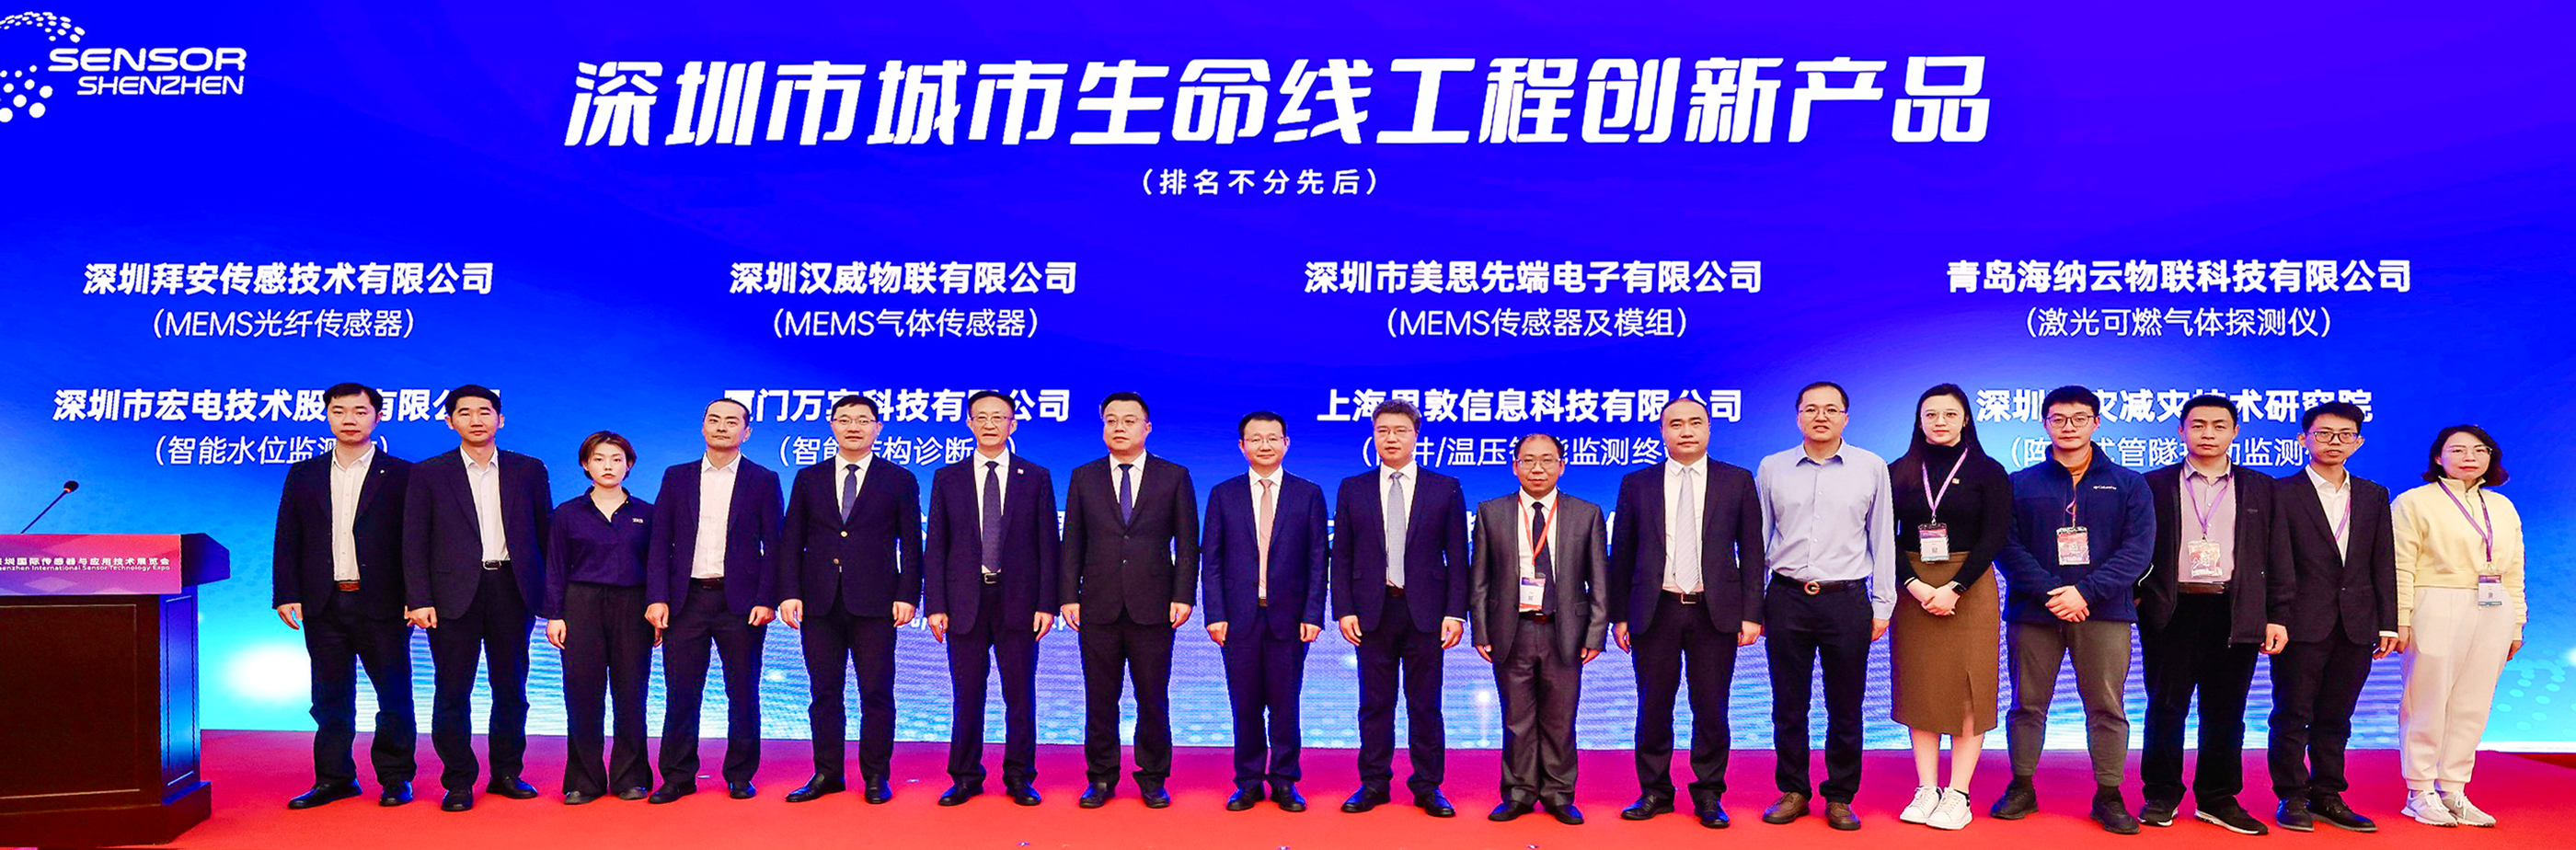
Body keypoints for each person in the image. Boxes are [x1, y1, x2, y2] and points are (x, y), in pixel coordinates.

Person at [1988, 385, 2154, 834]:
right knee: (2026, 705)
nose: (2069, 426)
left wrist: (2085, 592)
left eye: (2080, 418)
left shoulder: (2128, 483)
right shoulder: (2019, 483)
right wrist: (2052, 592)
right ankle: (2022, 786)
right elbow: (2007, 547)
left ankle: (2109, 794)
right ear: (2045, 423)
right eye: (2058, 418)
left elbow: (2137, 551)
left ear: (2096, 423)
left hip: (2104, 612)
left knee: (2107, 707)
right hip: (2034, 612)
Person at [1609, 396, 1765, 829]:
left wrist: (1752, 613)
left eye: (1695, 422)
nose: (1686, 431)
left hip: (1714, 612)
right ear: (1662, 432)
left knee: (1711, 707)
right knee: (1653, 706)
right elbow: (1621, 554)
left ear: (1709, 428)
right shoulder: (1637, 483)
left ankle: (1709, 794)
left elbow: (1753, 551)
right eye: (1675, 423)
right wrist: (1619, 615)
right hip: (1654, 610)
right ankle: (1654, 791)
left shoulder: (1736, 480)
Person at [2136, 396, 2286, 833]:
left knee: (2226, 710)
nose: (2208, 434)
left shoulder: (2261, 486)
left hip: (2234, 609)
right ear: (2181, 430)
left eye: (2219, 426)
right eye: (2198, 425)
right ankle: (2161, 794)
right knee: (2165, 707)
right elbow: (2131, 545)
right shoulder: (2153, 484)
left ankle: (2218, 797)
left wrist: (2275, 614)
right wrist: (2140, 598)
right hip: (2172, 608)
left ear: (2235, 432)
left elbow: (2278, 555)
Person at [402, 384, 550, 812]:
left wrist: (549, 596)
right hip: (451, 594)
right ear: (450, 422)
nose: (476, 420)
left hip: (512, 589)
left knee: (512, 688)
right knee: (452, 691)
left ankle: (507, 773)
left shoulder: (528, 469)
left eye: (484, 412)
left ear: (500, 419)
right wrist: (418, 597)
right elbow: (414, 540)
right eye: (464, 413)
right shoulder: (429, 472)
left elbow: (545, 534)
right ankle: (458, 781)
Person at [1754, 382, 1894, 832]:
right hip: (1786, 597)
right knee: (1788, 705)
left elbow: (1882, 539)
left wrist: (1883, 604)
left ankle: (1840, 796)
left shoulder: (1871, 467)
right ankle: (1793, 790)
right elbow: (1758, 539)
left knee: (1846, 706)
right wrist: (1752, 605)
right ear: (1797, 416)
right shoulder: (1772, 467)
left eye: (1831, 409)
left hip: (1846, 599)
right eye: (1811, 409)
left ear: (1845, 418)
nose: (1821, 416)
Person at [272, 382, 416, 809]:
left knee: (394, 695)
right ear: (327, 415)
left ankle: (395, 778)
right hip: (324, 602)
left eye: (359, 411)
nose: (349, 419)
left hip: (384, 603)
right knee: (329, 698)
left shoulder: (404, 474)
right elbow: (288, 536)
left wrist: (416, 595)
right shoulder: (304, 473)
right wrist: (286, 593)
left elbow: (416, 543)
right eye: (339, 411)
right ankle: (334, 778)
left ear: (378, 417)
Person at [777, 394, 922, 805]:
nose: (853, 427)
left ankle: (876, 775)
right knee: (824, 693)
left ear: (878, 427)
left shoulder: (899, 479)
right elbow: (792, 541)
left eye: (862, 420)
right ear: (832, 425)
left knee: (876, 692)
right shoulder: (809, 478)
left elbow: (913, 544)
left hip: (876, 602)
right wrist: (789, 592)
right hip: (819, 602)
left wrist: (908, 595)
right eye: (844, 419)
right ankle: (827, 773)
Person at [1332, 399, 1469, 818]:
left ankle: (1428, 786)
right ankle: (1373, 782)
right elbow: (1343, 554)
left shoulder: (1444, 487)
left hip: (1426, 613)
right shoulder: (1353, 487)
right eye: (1383, 431)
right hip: (1372, 612)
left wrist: (1455, 612)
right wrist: (1344, 609)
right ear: (1373, 436)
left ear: (1416, 436)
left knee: (1425, 705)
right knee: (1375, 704)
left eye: (1400, 431)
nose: (1391, 438)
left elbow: (1457, 556)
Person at [1063, 392, 1200, 810]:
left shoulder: (1173, 476)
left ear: (1147, 427)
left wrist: (1183, 595)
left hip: (1154, 605)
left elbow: (1187, 543)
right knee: (1099, 698)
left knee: (1152, 698)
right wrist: (1068, 595)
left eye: (1128, 420)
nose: (1119, 427)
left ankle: (1153, 777)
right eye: (1111, 420)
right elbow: (1072, 542)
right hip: (1097, 604)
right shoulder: (1084, 476)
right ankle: (1101, 777)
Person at [643, 399, 784, 803]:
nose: (722, 427)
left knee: (743, 692)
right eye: (714, 420)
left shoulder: (763, 479)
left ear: (747, 432)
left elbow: (775, 545)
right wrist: (657, 597)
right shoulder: (677, 476)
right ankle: (678, 775)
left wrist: (767, 599)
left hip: (741, 604)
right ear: (703, 427)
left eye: (732, 421)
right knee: (681, 693)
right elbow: (659, 541)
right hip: (685, 600)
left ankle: (740, 774)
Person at [2266, 401, 2398, 833]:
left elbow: (2382, 561)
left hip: (2356, 622)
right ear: (2303, 439)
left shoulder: (2373, 494)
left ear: (2358, 442)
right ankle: (2291, 796)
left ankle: (2327, 794)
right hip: (2300, 622)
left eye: (2345, 435)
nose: (2334, 442)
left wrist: (2388, 621)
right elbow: (2274, 561)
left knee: (2337, 716)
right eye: (2323, 433)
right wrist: (2275, 615)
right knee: (2292, 713)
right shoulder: (2280, 492)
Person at [926, 390, 1061, 807]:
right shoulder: (948, 478)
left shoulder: (1034, 476)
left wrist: (1047, 603)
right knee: (967, 695)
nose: (989, 424)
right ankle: (965, 776)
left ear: (1012, 424)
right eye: (980, 417)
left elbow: (1048, 546)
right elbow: (937, 545)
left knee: (1019, 695)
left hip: (1018, 600)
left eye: (998, 417)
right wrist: (935, 604)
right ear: (969, 423)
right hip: (963, 602)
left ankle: (1019, 776)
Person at [1885, 385, 2009, 831]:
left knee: (1969, 687)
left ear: (1966, 419)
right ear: (1919, 420)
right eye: (1931, 414)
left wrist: (1954, 587)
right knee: (1921, 685)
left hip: (1969, 586)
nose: (1940, 421)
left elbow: (1995, 536)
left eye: (1950, 414)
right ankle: (1927, 788)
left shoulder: (1988, 470)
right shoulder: (1897, 471)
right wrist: (1914, 585)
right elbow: (1883, 536)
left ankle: (1958, 792)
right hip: (1913, 587)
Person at [1470, 433, 1609, 826]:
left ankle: (1559, 794)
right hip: (1511, 629)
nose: (1537, 468)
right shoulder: (1491, 512)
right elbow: (1479, 580)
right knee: (1516, 719)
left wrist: (1595, 634)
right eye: (1528, 460)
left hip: (1564, 630)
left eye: (1547, 460)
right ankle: (1518, 792)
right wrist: (1481, 631)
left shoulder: (1586, 513)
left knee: (1560, 720)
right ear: (1514, 466)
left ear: (1562, 466)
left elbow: (1600, 580)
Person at [2394, 423, 2524, 828]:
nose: (2470, 457)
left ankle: (2453, 788)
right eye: (2458, 449)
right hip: (2435, 600)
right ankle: (2419, 791)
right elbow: (2400, 564)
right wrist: (2400, 618)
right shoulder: (2414, 501)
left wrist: (2517, 622)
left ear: (2491, 458)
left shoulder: (2502, 506)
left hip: (2494, 605)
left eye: (2480, 450)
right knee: (2427, 698)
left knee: (2473, 701)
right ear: (2438, 457)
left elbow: (2515, 569)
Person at [1199, 411, 1329, 812]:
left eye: (1273, 438)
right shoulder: (1224, 494)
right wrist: (1215, 614)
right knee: (1245, 704)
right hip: (1239, 618)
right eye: (1255, 439)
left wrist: (1313, 615)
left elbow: (1317, 560)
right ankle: (1248, 782)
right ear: (1242, 447)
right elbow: (1212, 560)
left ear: (1286, 443)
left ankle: (1286, 781)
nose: (1265, 445)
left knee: (1286, 705)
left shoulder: (1308, 494)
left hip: (1290, 619)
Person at [540, 431, 655, 804]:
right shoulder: (567, 513)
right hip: (581, 605)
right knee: (582, 694)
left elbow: (658, 567)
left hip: (634, 607)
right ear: (585, 465)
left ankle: (631, 777)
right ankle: (583, 780)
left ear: (629, 465)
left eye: (617, 459)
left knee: (631, 694)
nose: (608, 466)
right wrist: (555, 614)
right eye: (599, 459)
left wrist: (657, 609)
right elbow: (555, 567)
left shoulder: (647, 513)